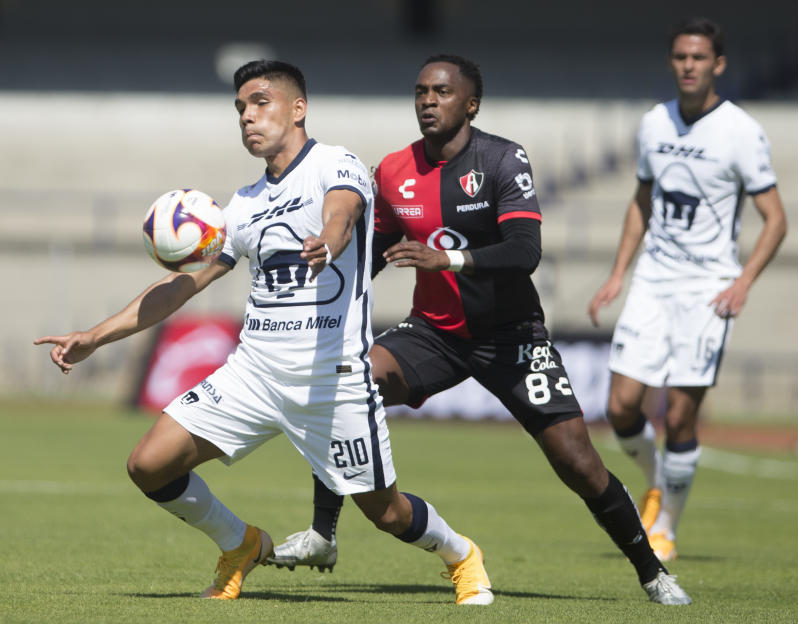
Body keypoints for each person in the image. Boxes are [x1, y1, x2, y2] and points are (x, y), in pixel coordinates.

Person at [34, 59, 495, 606]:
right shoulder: (244, 205)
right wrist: (96, 335)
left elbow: (342, 213)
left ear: (297, 108)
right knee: (148, 464)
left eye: (260, 103)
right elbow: (182, 286)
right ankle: (241, 543)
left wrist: (329, 238)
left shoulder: (335, 164)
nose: (247, 118)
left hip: (331, 380)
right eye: (239, 109)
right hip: (254, 373)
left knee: (386, 512)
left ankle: (461, 555)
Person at [266, 54, 691, 606]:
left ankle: (652, 571)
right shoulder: (393, 170)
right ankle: (324, 533)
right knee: (346, 382)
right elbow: (372, 253)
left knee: (577, 462)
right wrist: (317, 288)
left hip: (512, 337)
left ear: (471, 103)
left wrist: (452, 262)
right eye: (420, 91)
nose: (427, 101)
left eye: (441, 92)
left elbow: (525, 250)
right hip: (433, 335)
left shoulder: (501, 158)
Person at [587, 18, 788, 562]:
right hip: (654, 280)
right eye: (680, 57)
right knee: (621, 407)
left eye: (699, 57)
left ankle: (666, 525)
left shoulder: (741, 132)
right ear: (672, 62)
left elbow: (775, 219)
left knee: (679, 415)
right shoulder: (654, 123)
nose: (689, 66)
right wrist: (618, 274)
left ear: (718, 64)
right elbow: (642, 200)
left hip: (708, 289)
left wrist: (743, 282)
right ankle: (655, 483)